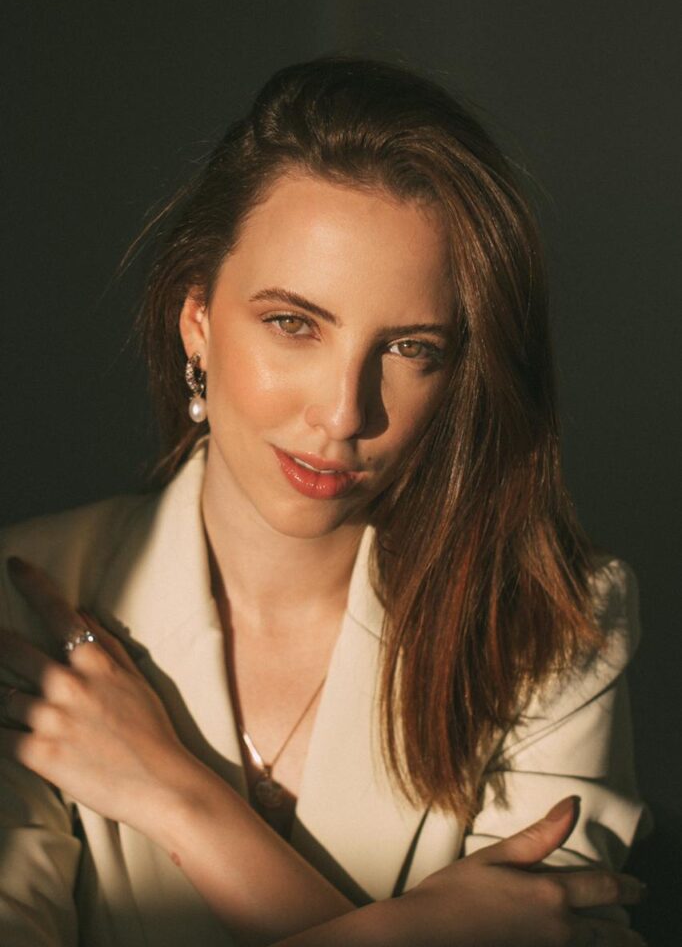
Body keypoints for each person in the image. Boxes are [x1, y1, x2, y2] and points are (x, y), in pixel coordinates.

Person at [0, 57, 647, 947]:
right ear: (197, 323)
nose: (344, 414)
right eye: (293, 324)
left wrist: (179, 800)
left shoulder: (552, 627)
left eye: (411, 348)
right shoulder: (22, 612)